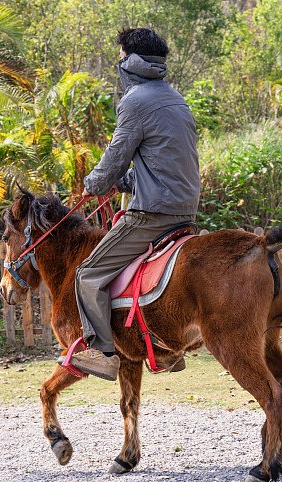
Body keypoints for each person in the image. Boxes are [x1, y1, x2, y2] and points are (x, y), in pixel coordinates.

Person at [59, 27, 200, 381]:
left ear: (131, 62)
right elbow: (161, 165)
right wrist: (126, 182)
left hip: (151, 214)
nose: (118, 61)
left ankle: (103, 353)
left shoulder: (135, 101)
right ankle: (165, 351)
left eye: (120, 56)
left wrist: (94, 184)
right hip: (185, 210)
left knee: (88, 274)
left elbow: (114, 157)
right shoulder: (176, 99)